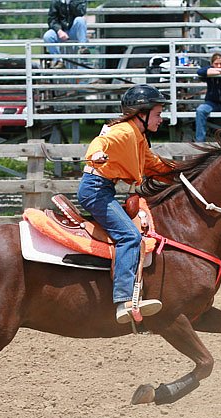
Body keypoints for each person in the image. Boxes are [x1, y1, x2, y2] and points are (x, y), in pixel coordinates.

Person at [77, 85, 175, 324]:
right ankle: (124, 301)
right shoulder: (123, 131)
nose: (161, 119)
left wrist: (181, 174)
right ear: (142, 112)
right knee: (130, 236)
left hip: (102, 189)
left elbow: (153, 164)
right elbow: (100, 142)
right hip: (96, 190)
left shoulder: (138, 137)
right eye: (158, 113)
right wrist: (95, 155)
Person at [43, 0, 88, 68]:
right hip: (61, 31)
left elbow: (81, 12)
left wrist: (71, 3)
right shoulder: (55, 2)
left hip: (74, 31)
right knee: (48, 36)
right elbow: (52, 20)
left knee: (80, 20)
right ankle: (58, 60)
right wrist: (59, 30)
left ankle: (83, 48)